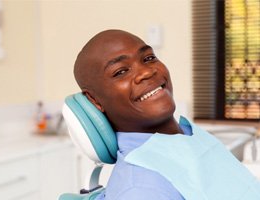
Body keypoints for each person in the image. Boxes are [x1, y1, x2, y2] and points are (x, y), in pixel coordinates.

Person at [73, 30, 259, 200]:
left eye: (148, 58)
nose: (146, 72)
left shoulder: (189, 135)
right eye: (121, 72)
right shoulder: (140, 188)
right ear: (95, 100)